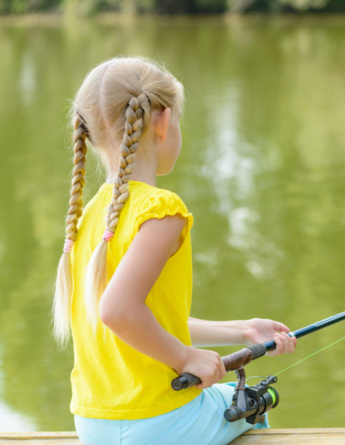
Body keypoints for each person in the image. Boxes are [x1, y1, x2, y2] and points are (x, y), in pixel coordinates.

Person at [51, 55, 297, 445]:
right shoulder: (162, 211)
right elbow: (117, 310)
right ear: (163, 122)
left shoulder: (90, 218)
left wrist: (242, 329)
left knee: (227, 399)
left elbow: (142, 322)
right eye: (179, 120)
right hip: (159, 422)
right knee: (253, 404)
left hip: (92, 424)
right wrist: (185, 359)